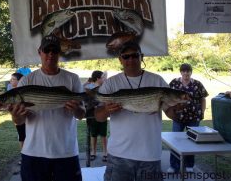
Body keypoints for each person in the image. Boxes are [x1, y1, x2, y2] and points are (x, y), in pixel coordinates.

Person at [95, 41, 179, 181]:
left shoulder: (157, 80)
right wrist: (106, 109)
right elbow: (98, 117)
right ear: (120, 59)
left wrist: (178, 108)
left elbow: (171, 114)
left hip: (150, 155)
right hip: (119, 155)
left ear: (142, 56)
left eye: (135, 55)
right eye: (126, 56)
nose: (131, 59)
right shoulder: (111, 83)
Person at [7, 35, 85, 181]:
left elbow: (81, 114)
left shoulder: (72, 78)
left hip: (66, 152)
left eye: (54, 50)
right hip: (33, 153)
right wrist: (16, 115)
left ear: (59, 53)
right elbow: (19, 121)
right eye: (46, 49)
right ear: (39, 52)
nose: (50, 54)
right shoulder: (27, 80)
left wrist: (76, 109)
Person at [167, 63, 208, 173]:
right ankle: (174, 166)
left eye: (188, 71)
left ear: (191, 72)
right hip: (178, 117)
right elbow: (166, 97)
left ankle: (190, 164)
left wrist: (202, 112)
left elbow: (203, 99)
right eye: (184, 71)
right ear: (180, 72)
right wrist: (171, 110)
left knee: (192, 140)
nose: (186, 73)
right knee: (175, 140)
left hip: (194, 116)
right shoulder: (174, 83)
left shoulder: (197, 84)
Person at [84, 70, 108, 162]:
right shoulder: (92, 86)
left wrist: (104, 77)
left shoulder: (104, 86)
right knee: (93, 134)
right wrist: (90, 82)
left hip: (102, 112)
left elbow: (106, 79)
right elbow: (83, 88)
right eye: (102, 77)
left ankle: (105, 153)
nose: (104, 79)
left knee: (103, 134)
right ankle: (93, 152)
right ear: (98, 78)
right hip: (91, 113)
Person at [7, 73, 25, 157]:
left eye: (13, 79)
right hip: (18, 119)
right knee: (21, 137)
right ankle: (23, 155)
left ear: (20, 81)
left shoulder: (20, 92)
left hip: (24, 118)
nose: (10, 81)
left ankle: (24, 156)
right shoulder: (13, 91)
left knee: (22, 137)